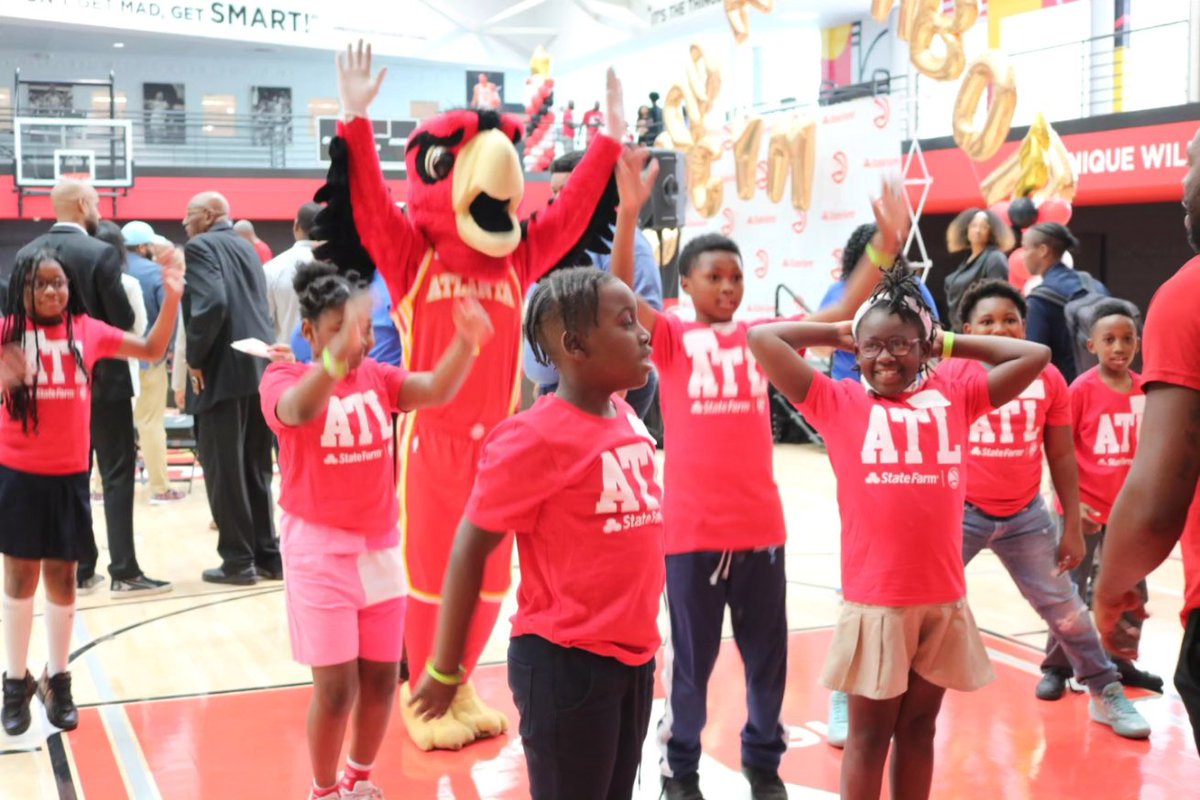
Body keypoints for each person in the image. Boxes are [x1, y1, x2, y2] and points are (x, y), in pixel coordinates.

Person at [609, 152, 910, 799]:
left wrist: (885, 247)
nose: (728, 286)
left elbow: (843, 310)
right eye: (713, 276)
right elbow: (620, 299)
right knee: (691, 667)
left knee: (766, 665)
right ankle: (680, 768)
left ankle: (762, 764)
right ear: (685, 285)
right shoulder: (670, 341)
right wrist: (629, 215)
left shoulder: (762, 337)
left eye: (736, 276)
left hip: (760, 535)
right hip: (690, 537)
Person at [748, 266, 1050, 800]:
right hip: (877, 602)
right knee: (869, 738)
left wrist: (947, 339)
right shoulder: (836, 402)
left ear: (926, 348)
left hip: (941, 600)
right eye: (873, 347)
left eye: (902, 346)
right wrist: (837, 330)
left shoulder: (957, 395)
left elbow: (1034, 357)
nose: (887, 357)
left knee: (920, 730)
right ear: (855, 353)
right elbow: (762, 339)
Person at [409, 267, 662, 800]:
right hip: (567, 665)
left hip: (634, 656)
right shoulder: (532, 438)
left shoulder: (626, 415)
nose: (644, 333)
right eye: (625, 323)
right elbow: (468, 550)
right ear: (574, 345)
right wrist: (445, 665)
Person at [261, 262, 492, 800]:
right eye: (340, 328)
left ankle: (359, 779)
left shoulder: (378, 378)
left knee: (382, 682)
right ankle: (323, 791)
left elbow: (433, 389)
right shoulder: (284, 379)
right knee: (337, 691)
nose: (358, 340)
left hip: (382, 550)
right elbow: (297, 411)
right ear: (311, 333)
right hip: (319, 553)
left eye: (362, 328)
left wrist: (467, 343)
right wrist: (334, 361)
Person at [938, 280, 1149, 738]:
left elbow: (1062, 456)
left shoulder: (1048, 378)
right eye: (989, 322)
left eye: (1011, 320)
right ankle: (860, 695)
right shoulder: (952, 373)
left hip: (1025, 517)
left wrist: (1072, 524)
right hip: (962, 513)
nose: (1002, 328)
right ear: (969, 330)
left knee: (1066, 607)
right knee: (915, 602)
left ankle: (1103, 689)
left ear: (1025, 324)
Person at [0, 245, 183, 736]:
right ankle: (14, 683)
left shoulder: (88, 330)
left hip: (69, 476)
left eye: (59, 282)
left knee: (63, 579)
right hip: (18, 473)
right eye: (41, 283)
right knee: (20, 580)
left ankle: (57, 680)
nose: (52, 290)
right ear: (23, 288)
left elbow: (150, 351)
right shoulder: (6, 335)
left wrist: (172, 298)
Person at [1094, 126, 1200, 754]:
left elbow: (1163, 487)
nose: (1181, 185)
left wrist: (1111, 590)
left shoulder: (1186, 296)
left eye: (1192, 164)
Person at [13, 179, 156, 596]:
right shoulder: (100, 253)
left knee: (70, 475)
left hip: (45, 388)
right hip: (104, 383)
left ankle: (81, 566)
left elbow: (14, 327)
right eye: (94, 200)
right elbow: (124, 319)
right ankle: (124, 569)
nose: (97, 207)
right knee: (115, 474)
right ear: (80, 204)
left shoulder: (24, 255)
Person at [1041, 299, 1162, 693]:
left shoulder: (1147, 391)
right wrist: (1072, 509)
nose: (1118, 347)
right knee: (1070, 588)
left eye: (1127, 339)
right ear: (1091, 345)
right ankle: (1056, 667)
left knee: (1130, 586)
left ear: (1138, 344)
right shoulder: (1080, 390)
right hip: (1084, 509)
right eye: (1108, 339)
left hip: (1128, 514)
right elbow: (1058, 451)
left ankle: (1119, 660)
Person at [182, 192, 281, 585]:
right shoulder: (247, 246)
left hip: (220, 371)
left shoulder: (200, 245)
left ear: (207, 215)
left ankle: (238, 561)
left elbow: (213, 304)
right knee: (256, 468)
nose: (184, 224)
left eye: (188, 217)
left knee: (225, 471)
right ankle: (268, 557)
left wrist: (195, 358)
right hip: (258, 370)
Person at [521, 149, 664, 420]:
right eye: (554, 192)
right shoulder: (550, 243)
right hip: (557, 388)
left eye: (568, 190)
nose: (559, 200)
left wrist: (613, 393)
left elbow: (642, 322)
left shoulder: (631, 246)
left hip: (604, 390)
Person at [119, 221, 186, 505]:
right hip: (148, 359)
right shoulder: (156, 274)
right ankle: (159, 488)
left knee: (111, 425)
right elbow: (170, 317)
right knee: (150, 423)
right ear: (145, 247)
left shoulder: (110, 271)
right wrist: (168, 350)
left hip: (113, 358)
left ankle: (98, 487)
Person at [820, 223, 940, 381]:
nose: (885, 256)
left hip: (904, 385)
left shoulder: (913, 287)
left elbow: (935, 336)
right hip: (849, 387)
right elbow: (820, 349)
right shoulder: (838, 291)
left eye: (891, 249)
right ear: (861, 255)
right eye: (877, 251)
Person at [1023, 222, 1109, 383]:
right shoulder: (1095, 285)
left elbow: (1034, 361)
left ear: (1043, 250)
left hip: (1067, 392)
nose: (1023, 256)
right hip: (1104, 387)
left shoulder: (1039, 300)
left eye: (1026, 249)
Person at [942, 207, 1014, 331]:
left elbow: (997, 298)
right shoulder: (966, 261)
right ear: (966, 230)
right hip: (959, 330)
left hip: (979, 332)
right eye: (974, 226)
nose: (978, 231)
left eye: (984, 227)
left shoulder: (994, 258)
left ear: (992, 232)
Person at [265, 202, 322, 344]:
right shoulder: (342, 266)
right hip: (332, 362)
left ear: (296, 225)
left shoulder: (272, 268)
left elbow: (264, 321)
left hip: (287, 360)